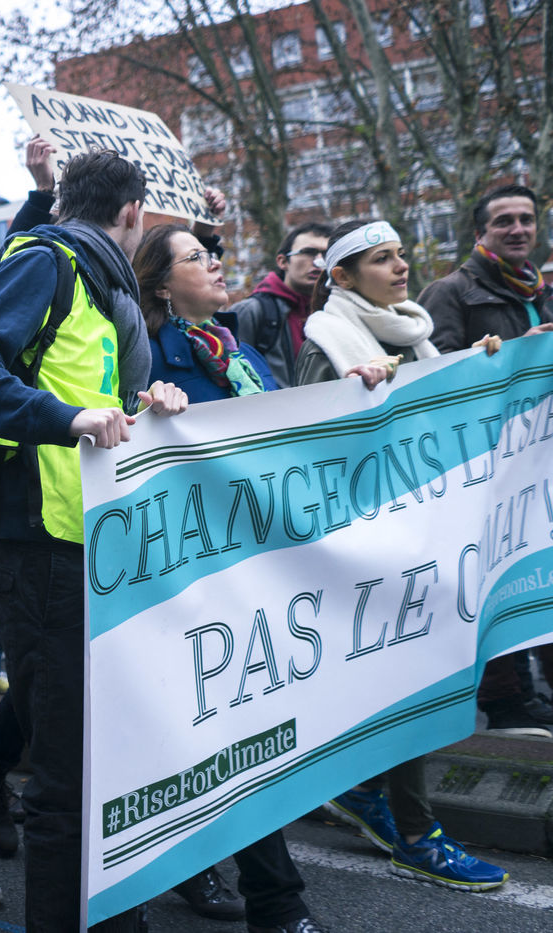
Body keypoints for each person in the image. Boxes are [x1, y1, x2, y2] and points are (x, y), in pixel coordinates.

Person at [0, 149, 188, 932]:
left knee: (110, 763)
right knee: (68, 779)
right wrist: (66, 418)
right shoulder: (49, 261)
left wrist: (149, 403)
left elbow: (101, 398)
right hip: (44, 553)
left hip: (101, 549)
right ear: (133, 213)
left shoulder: (102, 283)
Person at [298, 219, 509, 893]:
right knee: (406, 679)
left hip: (421, 532)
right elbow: (305, 444)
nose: (401, 267)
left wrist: (485, 365)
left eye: (401, 255)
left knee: (414, 674)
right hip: (365, 548)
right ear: (341, 276)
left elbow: (433, 410)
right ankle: (417, 836)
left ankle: (362, 790)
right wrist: (352, 398)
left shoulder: (414, 331)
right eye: (382, 259)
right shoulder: (324, 340)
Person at [133, 221, 330, 933]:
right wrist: (149, 412)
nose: (216, 264)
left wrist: (362, 389)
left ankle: (199, 862)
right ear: (161, 284)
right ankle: (278, 903)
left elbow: (286, 425)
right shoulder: (143, 353)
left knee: (245, 721)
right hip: (193, 571)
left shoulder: (235, 349)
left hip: (260, 556)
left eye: (214, 254)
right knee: (233, 724)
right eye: (197, 257)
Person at [418, 183, 553, 737]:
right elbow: (434, 374)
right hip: (483, 469)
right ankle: (504, 700)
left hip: (538, 465)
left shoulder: (543, 290)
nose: (518, 229)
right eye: (504, 221)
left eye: (526, 219)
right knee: (494, 580)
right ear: (480, 233)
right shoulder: (449, 292)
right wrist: (519, 355)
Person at [229, 223, 333, 388]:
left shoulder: (335, 312)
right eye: (308, 252)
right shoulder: (251, 312)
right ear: (283, 261)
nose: (319, 261)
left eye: (326, 254)